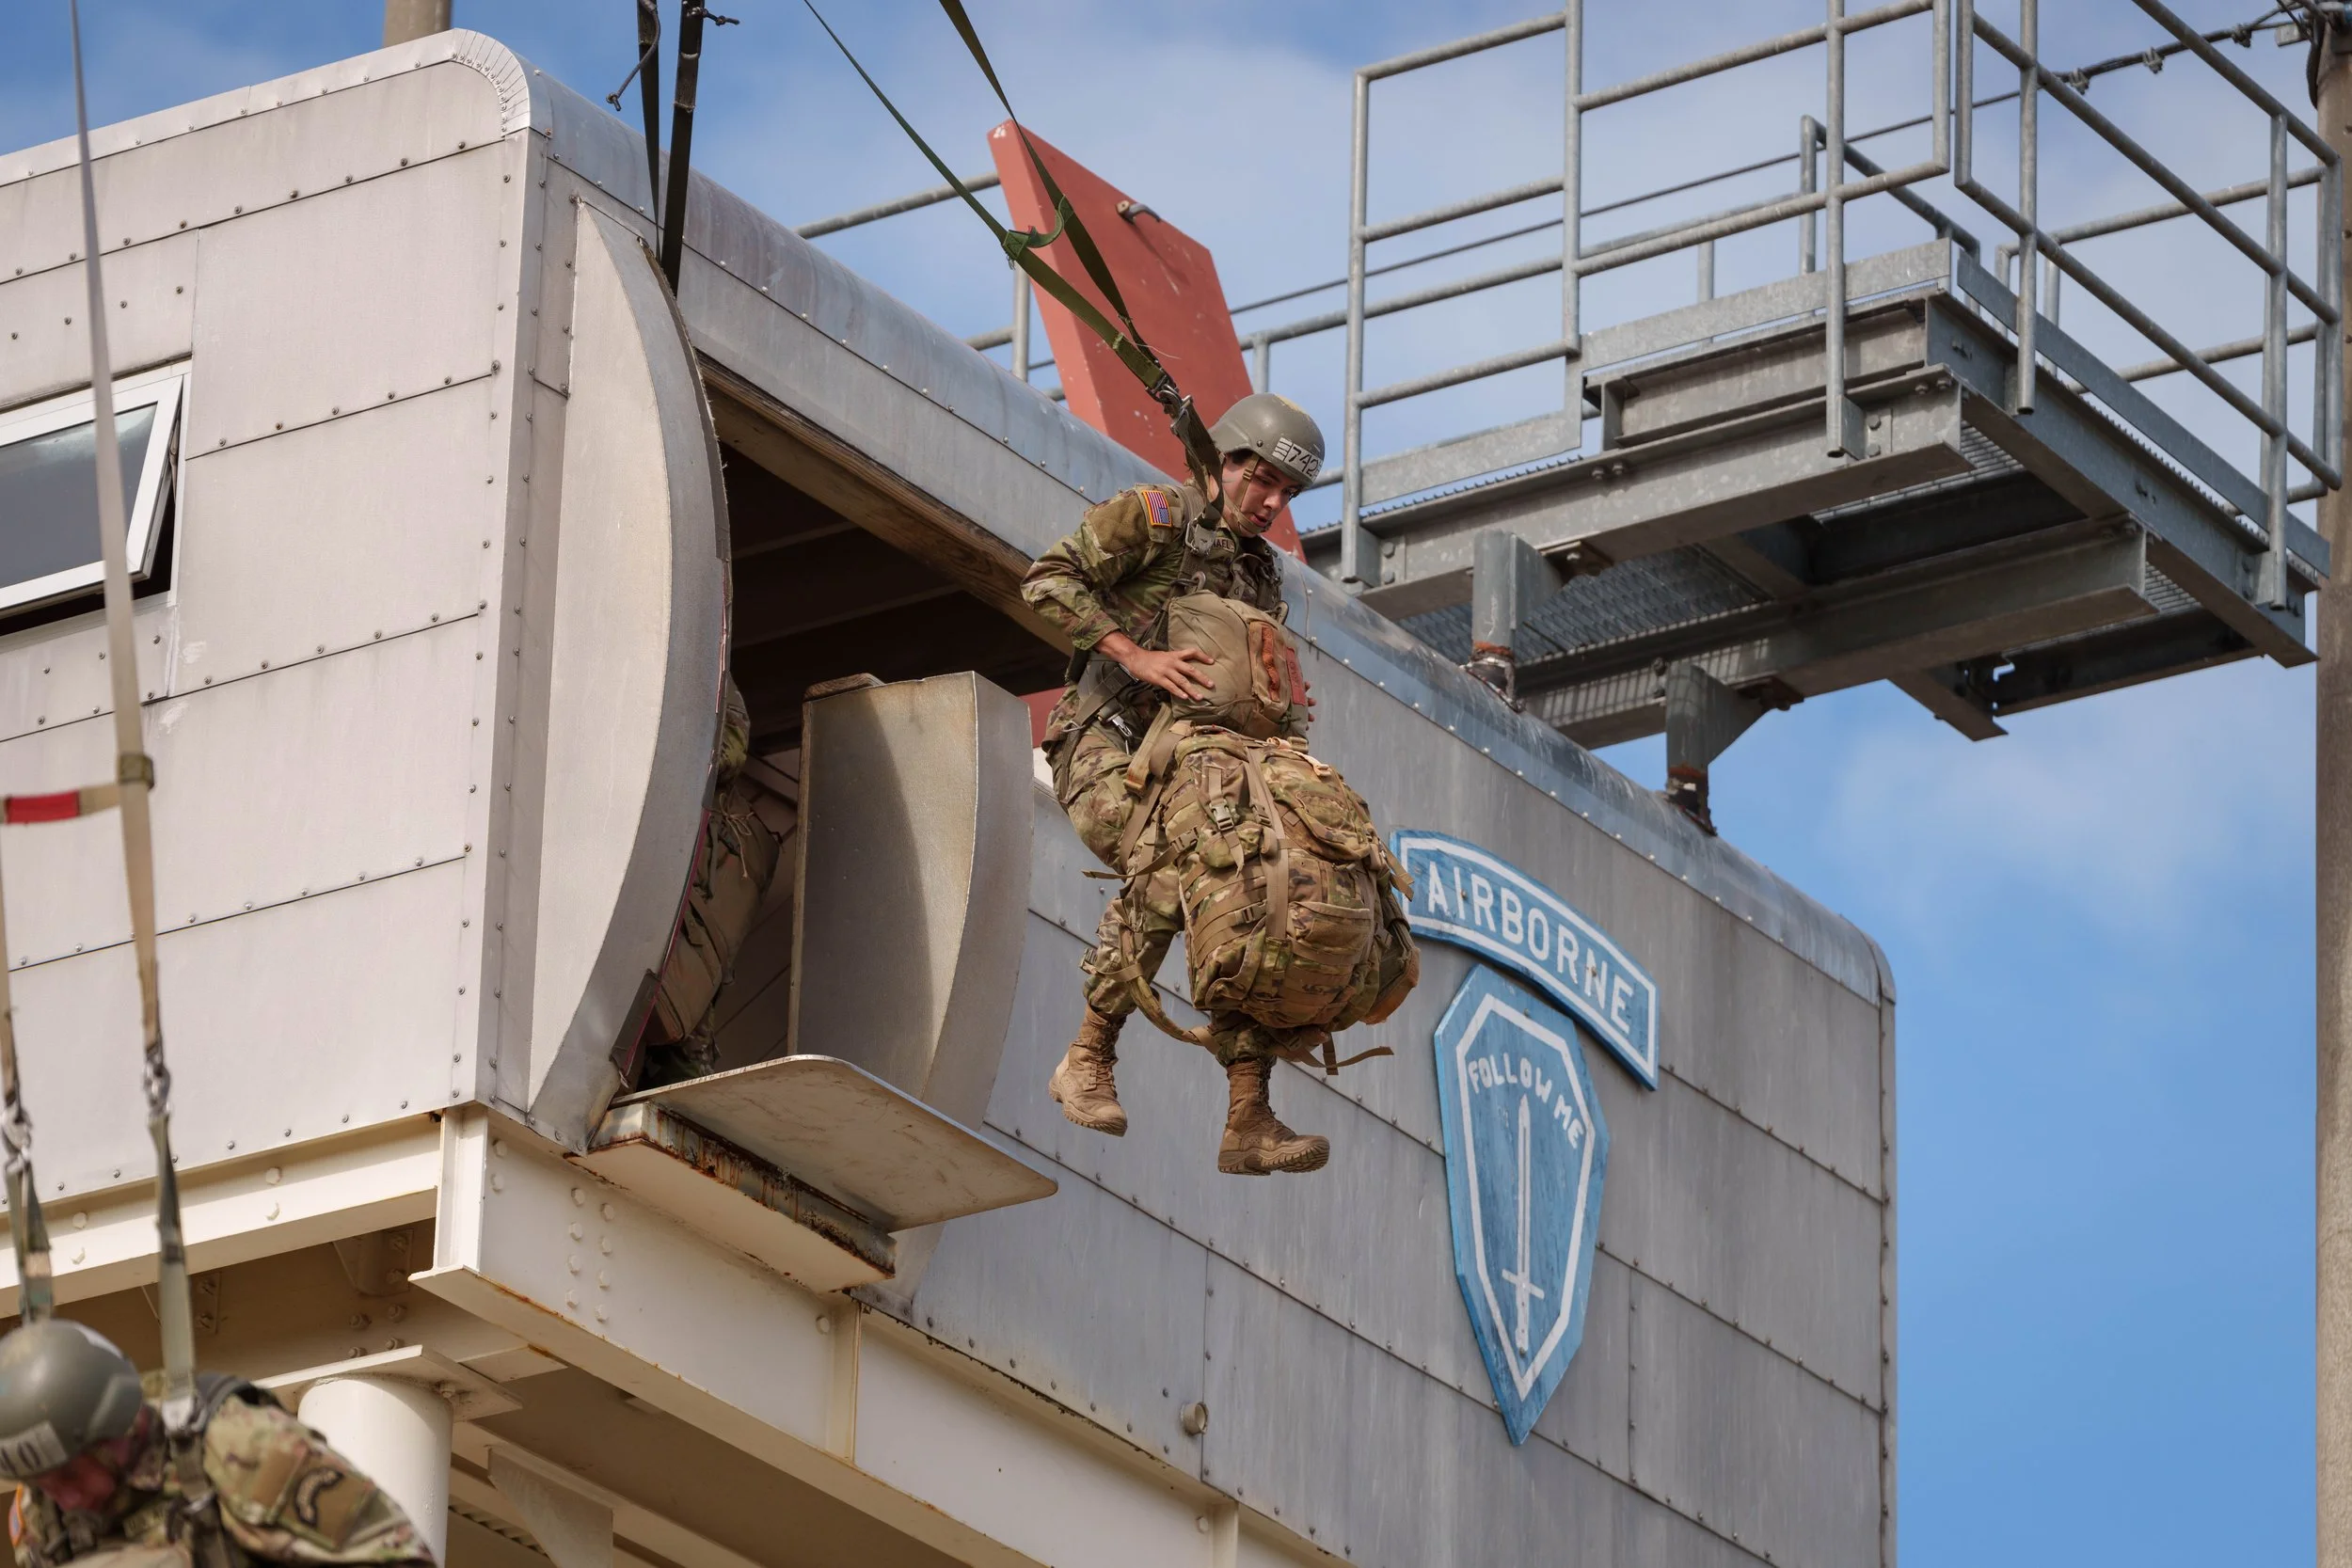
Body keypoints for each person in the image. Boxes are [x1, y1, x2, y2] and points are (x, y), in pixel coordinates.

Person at [1020, 392, 1335, 1176]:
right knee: (1169, 864)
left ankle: (1247, 1113)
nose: (1270, 503)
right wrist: (1136, 655)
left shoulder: (1260, 576)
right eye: (1260, 480)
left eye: (1286, 493)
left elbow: (1250, 689)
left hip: (1194, 767)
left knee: (1260, 885)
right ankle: (1087, 1055)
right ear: (1225, 461)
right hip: (1102, 744)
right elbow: (1048, 578)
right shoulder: (1155, 516)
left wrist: (1286, 719)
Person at [1, 1320, 435, 1568]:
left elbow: (398, 1559)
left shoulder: (245, 1449)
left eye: (72, 1474)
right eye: (45, 1484)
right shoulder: (40, 1513)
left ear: (121, 1426)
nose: (67, 1498)